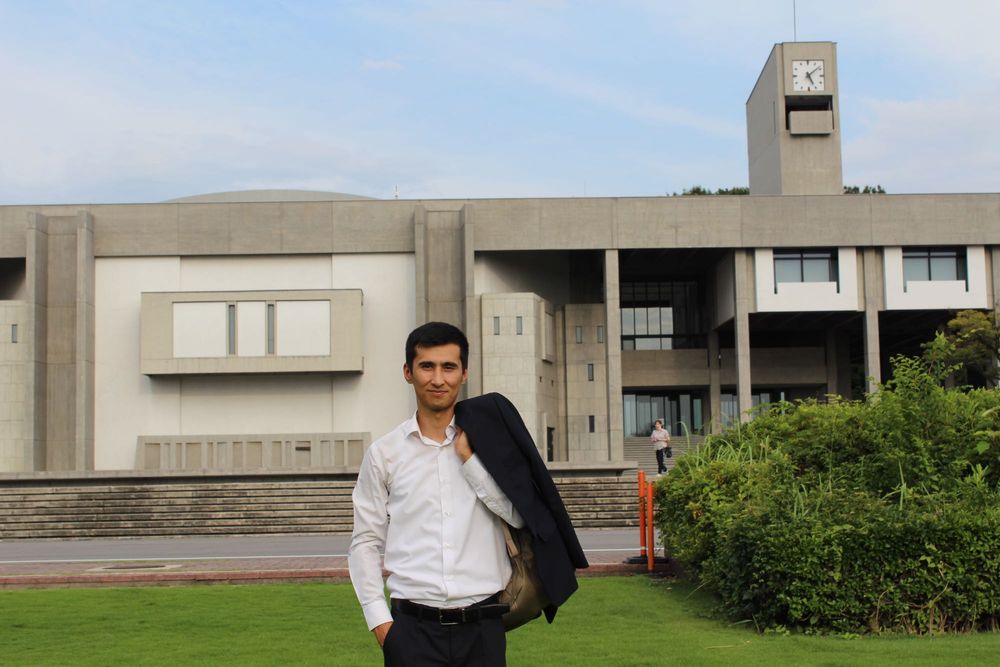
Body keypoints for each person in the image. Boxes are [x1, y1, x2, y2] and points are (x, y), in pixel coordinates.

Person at [348, 321, 525, 667]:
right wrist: (380, 623)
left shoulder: (493, 446)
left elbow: (518, 517)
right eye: (427, 366)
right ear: (408, 372)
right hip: (411, 633)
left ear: (464, 373)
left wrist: (470, 460)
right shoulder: (384, 454)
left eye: (449, 367)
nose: (438, 379)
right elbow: (365, 541)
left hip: (484, 629)